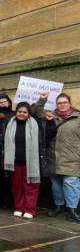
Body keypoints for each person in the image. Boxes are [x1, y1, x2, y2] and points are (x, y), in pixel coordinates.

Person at [4, 102, 56, 218]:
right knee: (17, 186)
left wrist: (50, 121)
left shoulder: (35, 124)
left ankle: (29, 209)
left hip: (31, 162)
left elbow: (49, 134)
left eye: (25, 112)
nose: (22, 114)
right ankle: (19, 207)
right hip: (15, 162)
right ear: (16, 112)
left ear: (28, 113)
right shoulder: (10, 124)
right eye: (19, 111)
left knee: (31, 186)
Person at [47, 93, 80, 222]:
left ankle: (72, 209)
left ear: (69, 103)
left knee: (71, 183)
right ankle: (59, 206)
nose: (62, 105)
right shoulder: (51, 117)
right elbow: (36, 111)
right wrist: (43, 99)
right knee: (56, 184)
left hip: (72, 157)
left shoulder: (77, 117)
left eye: (64, 102)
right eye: (59, 103)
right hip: (54, 157)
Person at [0, 93, 16, 208]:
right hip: (0, 150)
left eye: (4, 101)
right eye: (0, 102)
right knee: (1, 177)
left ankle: (11, 200)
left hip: (12, 149)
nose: (3, 104)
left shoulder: (14, 114)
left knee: (12, 176)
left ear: (9, 101)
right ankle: (1, 200)